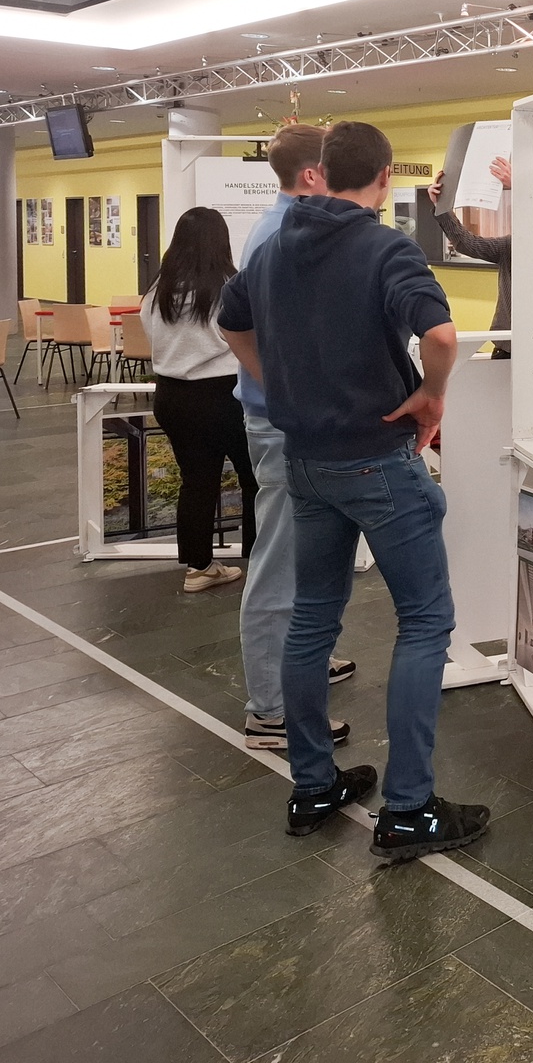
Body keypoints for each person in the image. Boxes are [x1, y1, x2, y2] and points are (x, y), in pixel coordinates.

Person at [219, 120, 489, 858]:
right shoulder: (384, 247)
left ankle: (312, 785)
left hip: (306, 461)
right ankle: (409, 809)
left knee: (311, 619)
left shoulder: (273, 247)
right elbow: (440, 336)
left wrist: (281, 383)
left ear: (323, 171)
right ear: (385, 177)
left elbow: (230, 323)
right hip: (376, 462)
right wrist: (432, 394)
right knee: (425, 621)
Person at [233, 124, 355, 752]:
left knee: (307, 556)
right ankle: (270, 709)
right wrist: (283, 388)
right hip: (282, 424)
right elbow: (240, 327)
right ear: (312, 175)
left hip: (295, 420)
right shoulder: (280, 235)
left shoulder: (288, 229)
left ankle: (303, 657)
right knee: (279, 561)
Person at [142, 207, 259, 594]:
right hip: (226, 395)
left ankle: (199, 568)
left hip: (173, 396)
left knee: (196, 482)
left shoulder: (157, 291)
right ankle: (260, 565)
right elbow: (246, 337)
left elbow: (152, 338)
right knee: (255, 480)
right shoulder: (230, 286)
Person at [428, 156, 512, 357]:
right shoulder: (511, 246)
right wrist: (442, 207)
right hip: (508, 346)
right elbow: (466, 243)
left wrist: (522, 188)